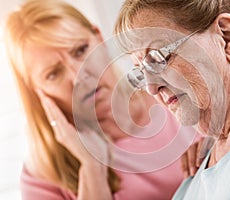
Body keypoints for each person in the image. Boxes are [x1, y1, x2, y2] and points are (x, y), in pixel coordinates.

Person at [4, 0, 201, 199]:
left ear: (99, 38)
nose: (78, 76)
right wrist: (92, 167)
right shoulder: (42, 178)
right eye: (53, 74)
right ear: (36, 91)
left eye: (80, 50)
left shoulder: (177, 96)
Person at [114, 0, 230, 199]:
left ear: (226, 37)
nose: (151, 88)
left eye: (159, 58)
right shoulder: (195, 175)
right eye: (141, 72)